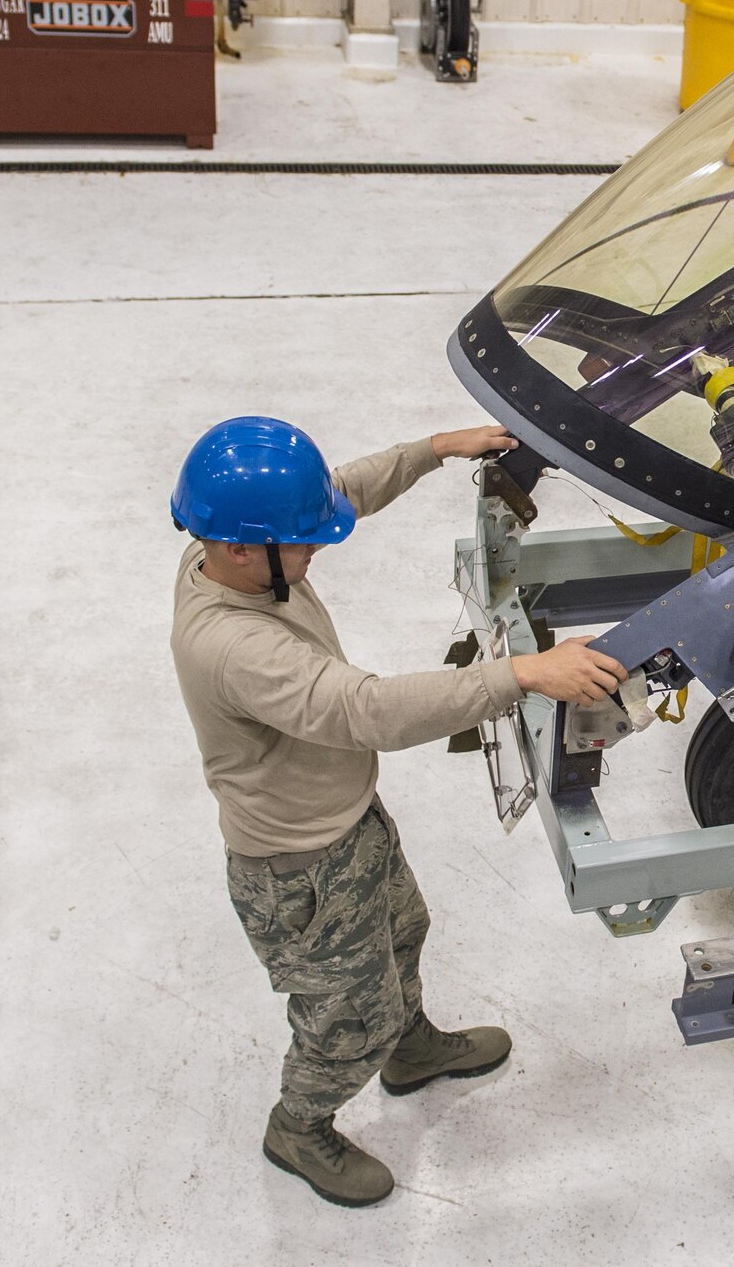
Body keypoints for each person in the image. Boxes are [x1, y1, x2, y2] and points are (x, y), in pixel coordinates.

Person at [169, 416, 627, 1207]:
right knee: (345, 1021)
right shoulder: (232, 644)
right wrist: (521, 673)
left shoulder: (228, 547)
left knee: (404, 928)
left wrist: (432, 450)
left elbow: (337, 490)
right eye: (302, 541)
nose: (319, 549)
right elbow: (369, 710)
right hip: (297, 866)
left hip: (346, 820)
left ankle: (408, 1048)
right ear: (243, 548)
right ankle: (300, 1125)